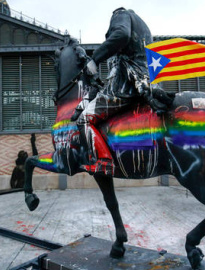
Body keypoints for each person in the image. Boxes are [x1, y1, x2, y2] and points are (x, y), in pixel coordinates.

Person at [72, 7, 174, 176]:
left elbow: (122, 35)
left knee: (84, 120)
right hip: (146, 81)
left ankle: (104, 161)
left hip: (127, 86)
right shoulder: (142, 24)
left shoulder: (120, 15)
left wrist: (95, 59)